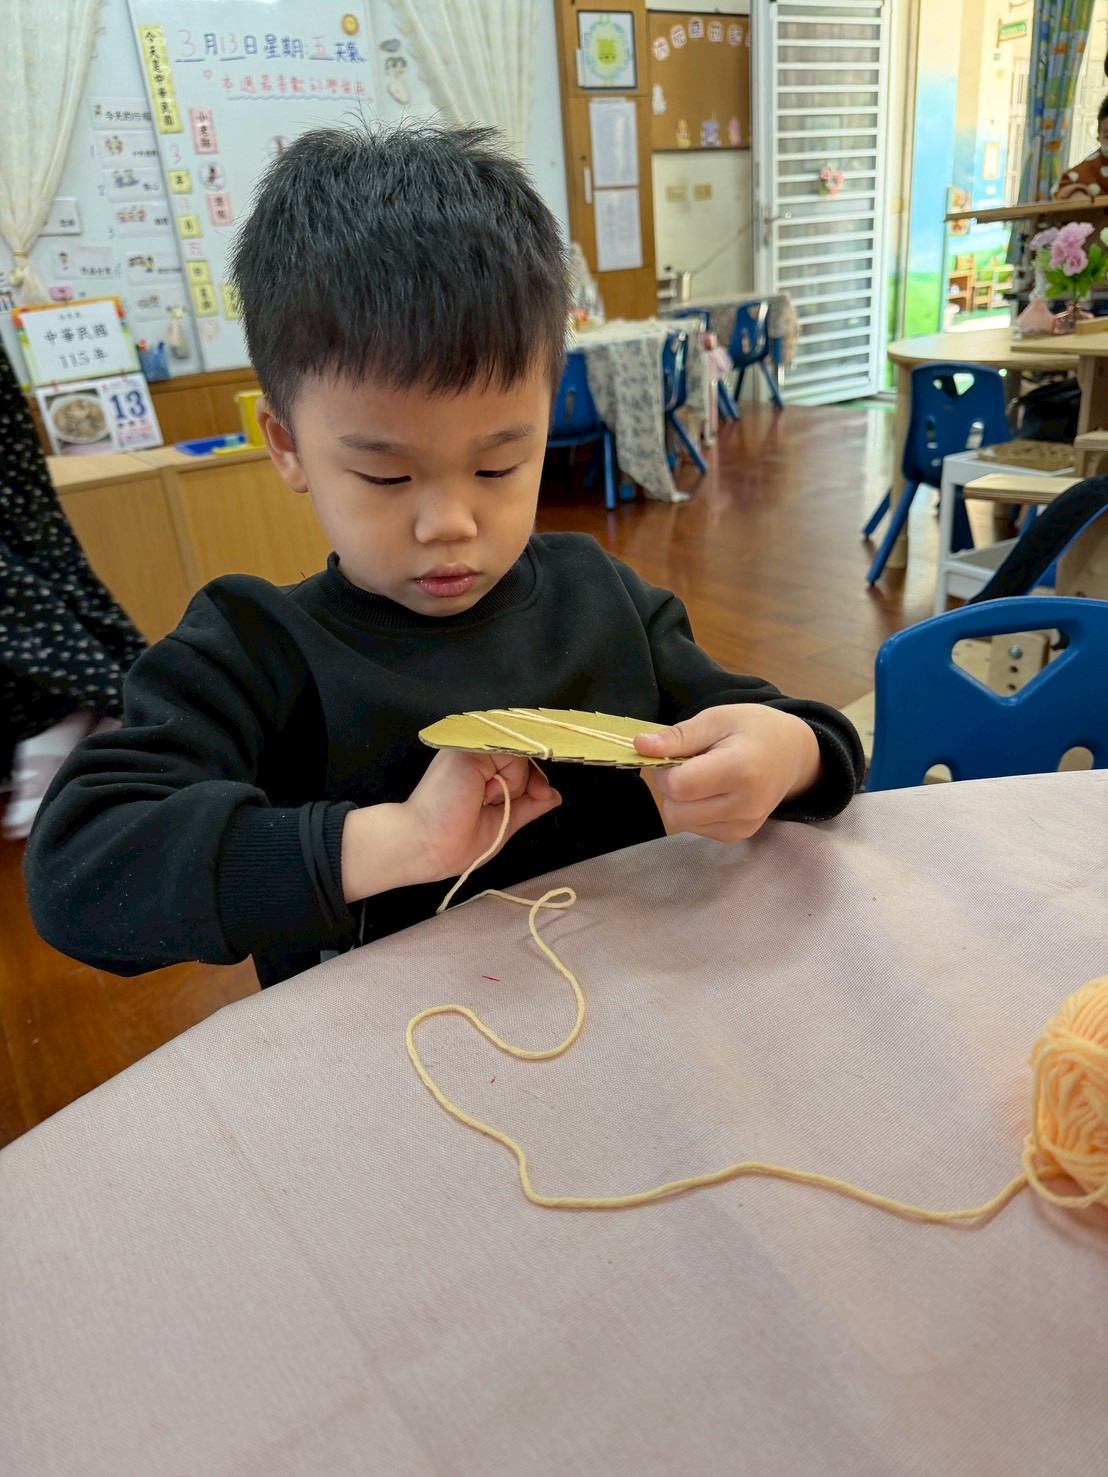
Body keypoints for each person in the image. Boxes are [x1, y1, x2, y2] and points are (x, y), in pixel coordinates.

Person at [25, 123, 864, 988]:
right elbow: (79, 872)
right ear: (287, 445)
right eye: (386, 476)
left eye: (499, 466)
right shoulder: (253, 650)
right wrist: (399, 840)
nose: (449, 523)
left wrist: (786, 753)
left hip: (636, 1008)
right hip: (390, 1046)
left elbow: (813, 735)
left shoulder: (600, 599)